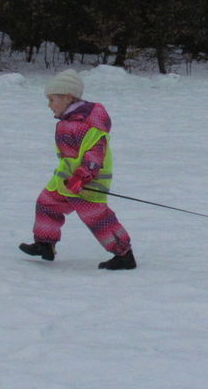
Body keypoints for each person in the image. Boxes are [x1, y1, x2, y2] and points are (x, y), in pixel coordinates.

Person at [19, 68, 136, 270]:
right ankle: (44, 244)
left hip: (87, 183)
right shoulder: (69, 122)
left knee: (98, 219)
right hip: (65, 182)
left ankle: (124, 255)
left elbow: (94, 155)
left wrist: (82, 178)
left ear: (67, 97)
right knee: (47, 203)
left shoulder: (88, 126)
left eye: (52, 100)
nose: (49, 105)